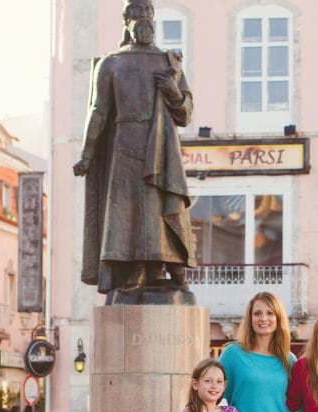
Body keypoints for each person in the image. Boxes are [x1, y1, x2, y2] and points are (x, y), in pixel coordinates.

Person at [73, 0, 196, 298]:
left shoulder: (168, 62)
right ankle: (135, 268)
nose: (143, 20)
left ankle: (174, 267)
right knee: (128, 210)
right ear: (126, 20)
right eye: (137, 14)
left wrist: (173, 90)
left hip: (161, 142)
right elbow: (98, 111)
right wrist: (87, 154)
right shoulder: (111, 63)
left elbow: (186, 113)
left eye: (148, 14)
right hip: (124, 141)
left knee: (160, 205)